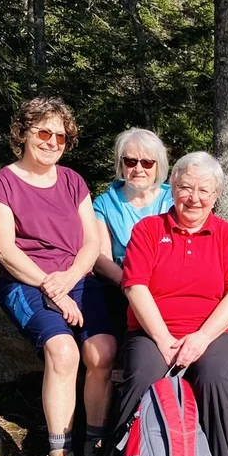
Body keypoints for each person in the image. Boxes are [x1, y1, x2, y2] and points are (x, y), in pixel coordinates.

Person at [0, 97, 114, 456]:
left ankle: (94, 448)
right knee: (63, 351)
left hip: (76, 277)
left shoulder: (73, 181)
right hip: (27, 281)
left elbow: (91, 242)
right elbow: (4, 249)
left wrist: (70, 279)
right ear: (23, 134)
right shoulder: (2, 183)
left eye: (61, 136)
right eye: (43, 132)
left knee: (103, 351)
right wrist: (51, 288)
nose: (52, 142)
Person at [114, 151, 228, 456]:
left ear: (216, 194)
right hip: (153, 331)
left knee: (215, 379)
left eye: (204, 190)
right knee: (144, 376)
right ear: (172, 188)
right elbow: (136, 286)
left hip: (213, 333)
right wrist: (163, 339)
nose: (194, 198)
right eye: (186, 187)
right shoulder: (148, 230)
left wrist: (201, 338)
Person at [92, 129, 174, 333]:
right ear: (121, 164)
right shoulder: (104, 203)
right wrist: (131, 285)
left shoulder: (173, 199)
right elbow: (101, 257)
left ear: (158, 166)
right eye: (130, 161)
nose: (138, 169)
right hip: (123, 288)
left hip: (169, 288)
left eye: (147, 163)